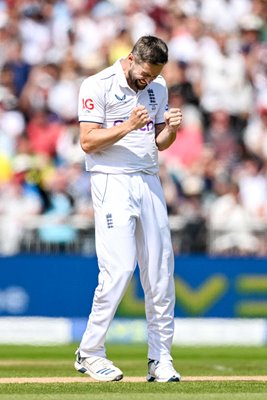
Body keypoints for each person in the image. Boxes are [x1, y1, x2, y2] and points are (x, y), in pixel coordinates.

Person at [74, 35, 182, 382]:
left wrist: (172, 131)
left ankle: (160, 359)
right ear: (131, 58)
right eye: (144, 73)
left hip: (148, 178)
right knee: (119, 270)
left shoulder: (158, 87)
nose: (147, 81)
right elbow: (88, 142)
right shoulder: (98, 85)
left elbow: (157, 142)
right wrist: (127, 126)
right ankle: (90, 353)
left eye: (154, 75)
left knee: (160, 271)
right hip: (111, 180)